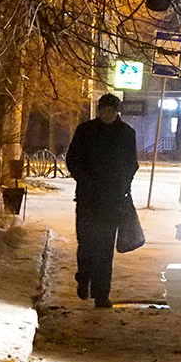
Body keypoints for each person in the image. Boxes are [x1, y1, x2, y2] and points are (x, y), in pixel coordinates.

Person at [64, 93, 139, 308]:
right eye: (103, 110)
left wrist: (123, 185)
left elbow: (132, 164)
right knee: (86, 243)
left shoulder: (126, 134)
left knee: (105, 248)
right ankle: (84, 278)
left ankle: (101, 294)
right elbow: (73, 160)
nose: (106, 114)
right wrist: (86, 180)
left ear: (117, 112)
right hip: (88, 198)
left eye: (111, 110)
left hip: (112, 200)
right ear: (99, 110)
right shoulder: (86, 131)